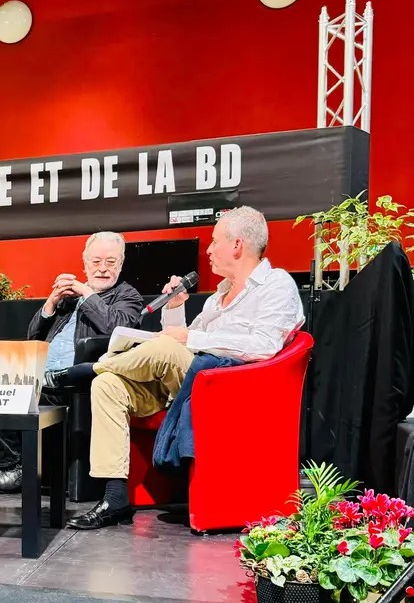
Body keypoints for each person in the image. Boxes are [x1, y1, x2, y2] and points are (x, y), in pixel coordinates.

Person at [65, 206, 304, 530]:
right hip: (192, 382)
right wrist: (176, 311)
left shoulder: (276, 284)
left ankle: (91, 368)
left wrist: (189, 337)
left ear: (237, 245)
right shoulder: (218, 295)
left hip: (231, 388)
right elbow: (186, 339)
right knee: (108, 386)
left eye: (215, 241)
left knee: (163, 348)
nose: (209, 250)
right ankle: (115, 497)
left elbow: (264, 346)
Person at [0, 231, 144, 494]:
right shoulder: (69, 298)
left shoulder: (127, 295)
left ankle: (16, 472)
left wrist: (87, 293)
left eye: (110, 262)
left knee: (17, 389)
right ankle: (12, 468)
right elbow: (34, 336)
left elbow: (117, 327)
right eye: (96, 262)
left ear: (120, 264)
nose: (102, 269)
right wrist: (51, 302)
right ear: (85, 264)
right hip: (41, 371)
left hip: (78, 377)